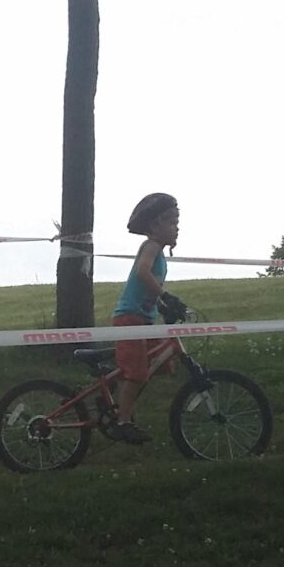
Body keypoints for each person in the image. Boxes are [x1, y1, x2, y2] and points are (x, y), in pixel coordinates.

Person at [108, 191, 182, 445]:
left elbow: (148, 287)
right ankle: (123, 422)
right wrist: (165, 295)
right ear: (154, 225)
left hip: (144, 319)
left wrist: (163, 304)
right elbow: (142, 273)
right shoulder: (150, 246)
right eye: (171, 222)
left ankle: (120, 379)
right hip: (130, 318)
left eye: (177, 222)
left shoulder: (160, 253)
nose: (177, 228)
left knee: (162, 364)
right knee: (139, 373)